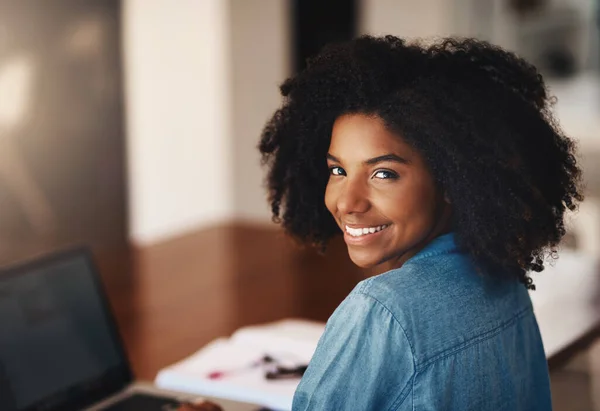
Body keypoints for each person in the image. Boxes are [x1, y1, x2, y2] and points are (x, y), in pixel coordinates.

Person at [258, 36, 583, 410]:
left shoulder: (382, 311)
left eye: (383, 173)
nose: (347, 201)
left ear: (451, 179)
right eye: (338, 169)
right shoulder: (504, 277)